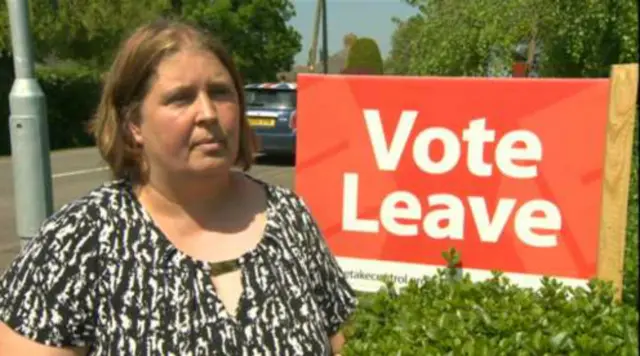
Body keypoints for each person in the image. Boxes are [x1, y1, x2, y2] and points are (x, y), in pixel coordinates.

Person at [0, 19, 357, 355]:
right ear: (133, 124)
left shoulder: (289, 217)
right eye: (180, 98)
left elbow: (342, 342)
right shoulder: (78, 241)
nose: (208, 113)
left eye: (220, 93)